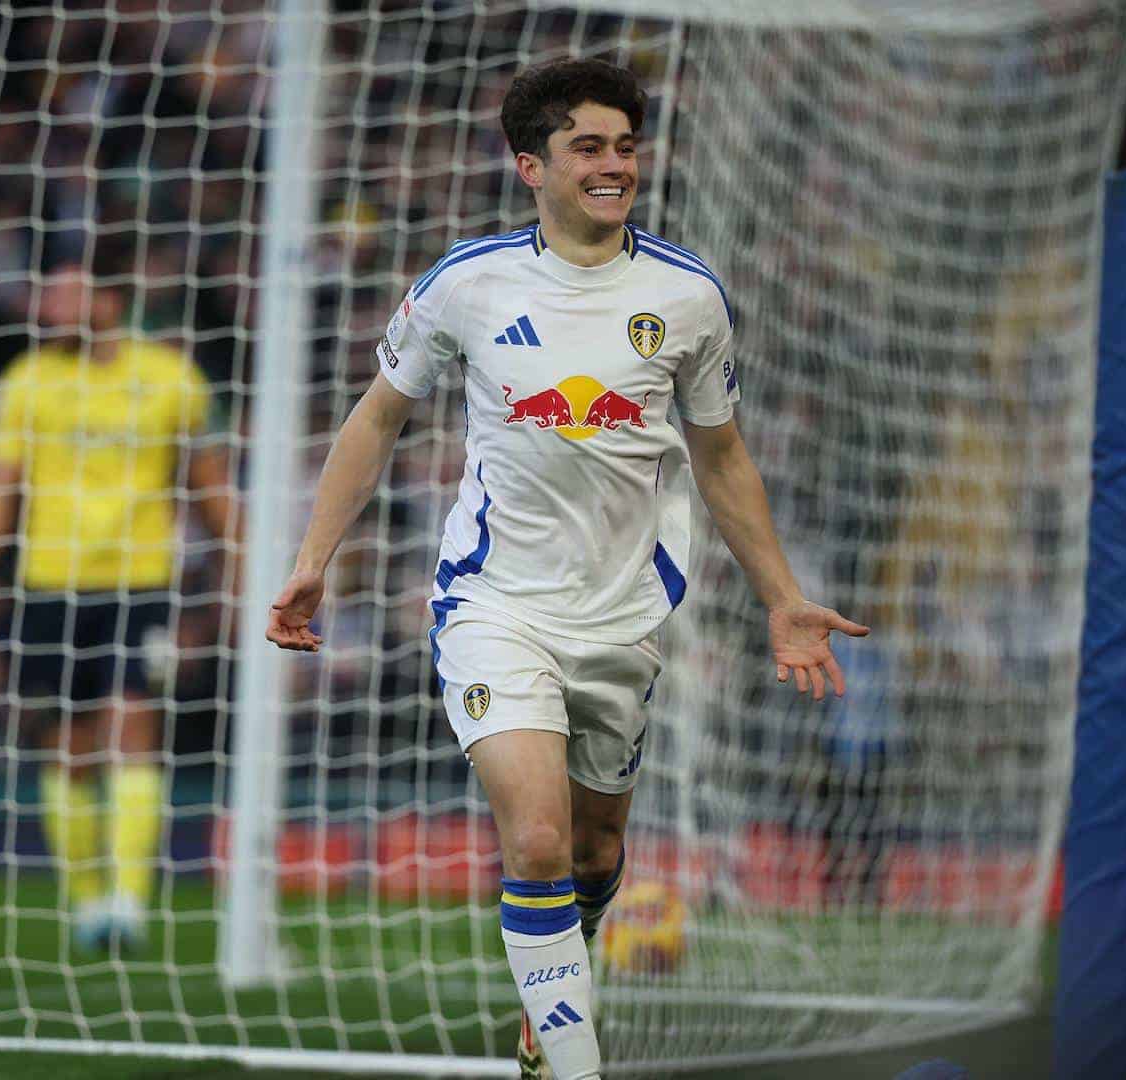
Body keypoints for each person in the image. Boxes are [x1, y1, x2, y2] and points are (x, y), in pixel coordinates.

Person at [265, 59, 867, 1080]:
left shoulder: (687, 297)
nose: (614, 165)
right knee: (538, 839)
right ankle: (570, 1060)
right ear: (530, 165)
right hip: (493, 604)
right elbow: (377, 415)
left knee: (592, 855)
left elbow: (720, 455)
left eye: (626, 146)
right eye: (589, 146)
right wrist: (314, 559)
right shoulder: (469, 282)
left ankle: (556, 990)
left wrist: (782, 599)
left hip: (622, 616)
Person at [0, 251, 237, 951]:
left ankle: (128, 902)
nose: (48, 304)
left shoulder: (170, 378)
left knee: (133, 732)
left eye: (63, 289)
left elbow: (212, 489)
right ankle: (88, 903)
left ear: (110, 300)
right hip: (47, 587)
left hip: (139, 584)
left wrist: (237, 575)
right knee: (66, 752)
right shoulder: (26, 382)